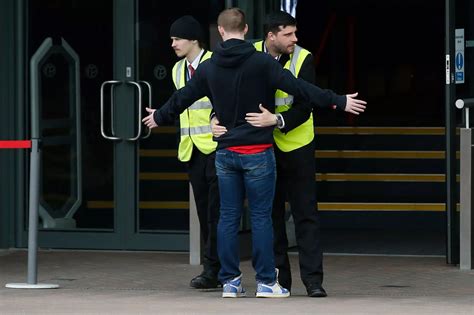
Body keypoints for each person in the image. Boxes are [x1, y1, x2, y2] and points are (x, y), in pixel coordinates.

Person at [142, 7, 366, 298]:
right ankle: (265, 282)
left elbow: (182, 97)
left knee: (227, 218)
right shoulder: (262, 63)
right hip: (258, 152)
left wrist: (159, 116)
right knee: (261, 218)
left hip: (225, 154)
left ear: (221, 32)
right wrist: (337, 100)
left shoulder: (209, 67)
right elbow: (301, 88)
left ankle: (230, 283)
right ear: (246, 31)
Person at [250, 11, 329, 298]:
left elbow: (305, 103)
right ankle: (279, 280)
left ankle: (313, 281)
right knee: (270, 216)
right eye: (288, 34)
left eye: (295, 33)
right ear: (271, 36)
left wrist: (278, 121)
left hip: (297, 144)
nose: (295, 39)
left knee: (305, 213)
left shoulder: (303, 58)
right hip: (262, 147)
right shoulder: (250, 54)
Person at [168, 15, 221, 289]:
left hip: (216, 148)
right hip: (192, 150)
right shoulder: (178, 69)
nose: (173, 44)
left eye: (177, 38)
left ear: (193, 39)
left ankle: (215, 270)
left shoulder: (215, 63)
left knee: (216, 213)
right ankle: (213, 269)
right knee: (205, 213)